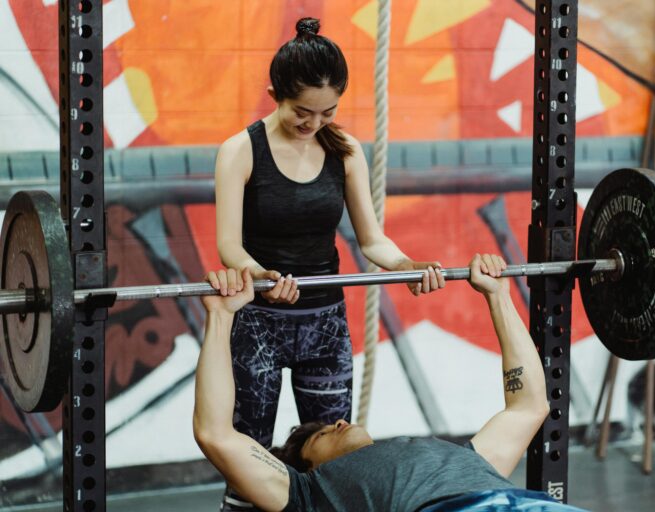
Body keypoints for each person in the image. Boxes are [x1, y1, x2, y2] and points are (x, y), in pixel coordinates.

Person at [213, 16, 445, 510]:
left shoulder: (345, 150)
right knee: (247, 457)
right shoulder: (239, 150)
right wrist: (262, 277)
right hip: (258, 321)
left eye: (327, 112)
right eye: (303, 111)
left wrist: (408, 264)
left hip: (325, 324)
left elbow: (373, 241)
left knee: (340, 462)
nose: (313, 124)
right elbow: (229, 248)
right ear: (275, 91)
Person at [194, 255, 586, 511]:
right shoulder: (309, 494)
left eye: (333, 423)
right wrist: (222, 315)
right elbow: (215, 434)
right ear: (310, 468)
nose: (340, 422)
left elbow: (530, 406)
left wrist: (497, 295)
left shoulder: (467, 458)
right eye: (324, 434)